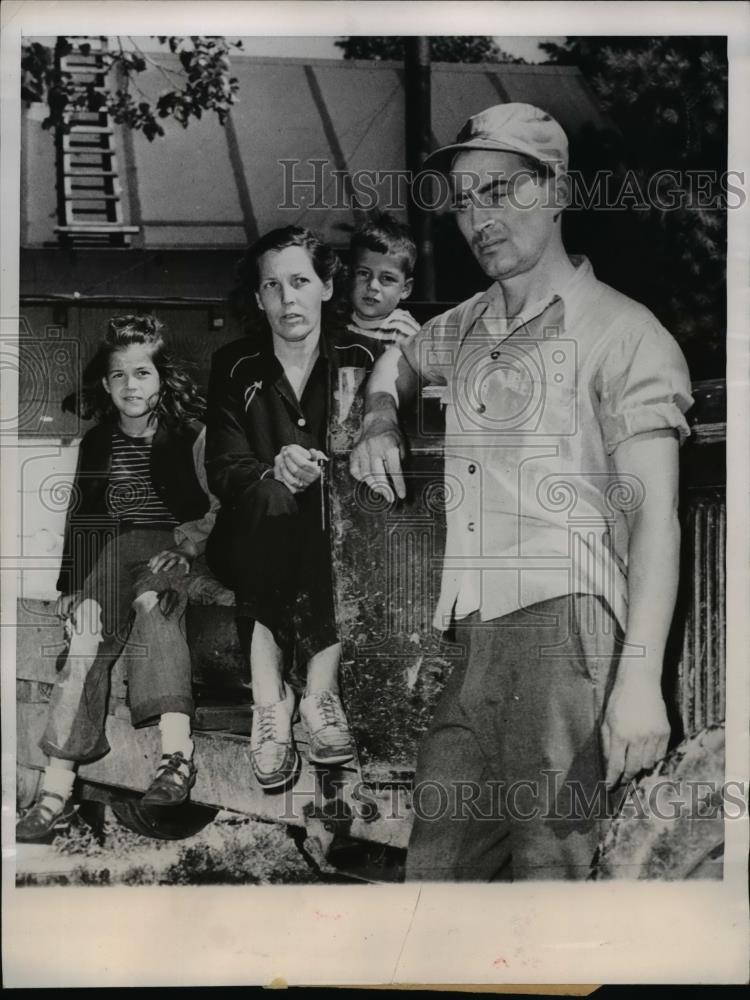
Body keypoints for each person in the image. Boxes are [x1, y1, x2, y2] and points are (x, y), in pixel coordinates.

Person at [350, 103, 694, 880]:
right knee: (433, 886)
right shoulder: (467, 324)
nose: (478, 217)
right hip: (469, 636)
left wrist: (639, 679)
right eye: (465, 198)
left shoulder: (624, 334)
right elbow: (399, 363)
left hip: (564, 636)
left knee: (552, 885)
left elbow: (656, 525)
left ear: (558, 191)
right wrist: (377, 419)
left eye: (501, 190)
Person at [16, 315, 218, 842]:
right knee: (85, 635)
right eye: (120, 376)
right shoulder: (97, 441)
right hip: (112, 553)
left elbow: (223, 503)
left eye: (143, 374)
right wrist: (76, 590)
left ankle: (176, 758)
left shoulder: (192, 436)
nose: (132, 385)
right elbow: (83, 517)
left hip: (172, 550)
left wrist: (188, 547)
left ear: (161, 379)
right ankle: (56, 789)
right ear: (106, 385)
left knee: (155, 608)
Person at [204, 226, 375, 791]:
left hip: (331, 534)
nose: (287, 299)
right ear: (258, 299)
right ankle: (269, 701)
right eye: (272, 286)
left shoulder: (363, 358)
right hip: (249, 532)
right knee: (279, 504)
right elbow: (225, 468)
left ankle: (318, 696)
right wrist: (272, 470)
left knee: (328, 517)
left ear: (328, 287)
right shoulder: (235, 365)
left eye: (300, 281)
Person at [346, 213, 420, 352]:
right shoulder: (338, 323)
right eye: (364, 273)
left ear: (405, 289)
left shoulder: (403, 332)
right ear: (350, 276)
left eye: (387, 278)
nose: (372, 286)